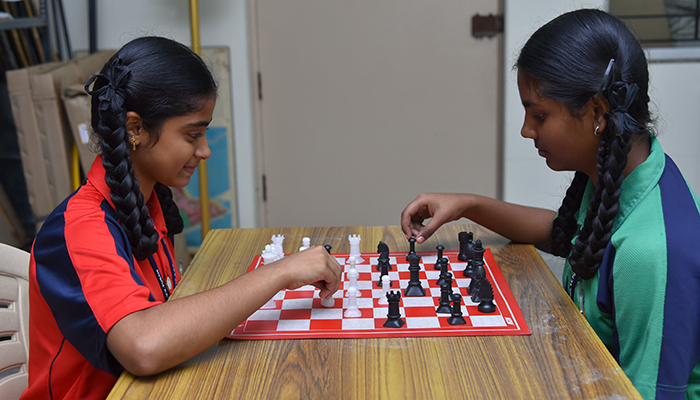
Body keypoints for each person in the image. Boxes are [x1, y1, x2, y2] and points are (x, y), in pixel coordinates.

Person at [400, 9, 699, 400]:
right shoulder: (629, 172)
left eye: (539, 115)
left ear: (597, 112)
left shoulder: (651, 251)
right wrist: (467, 205)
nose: (527, 130)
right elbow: (566, 234)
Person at [21, 36, 342, 400]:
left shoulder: (148, 203)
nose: (204, 150)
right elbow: (144, 346)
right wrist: (279, 273)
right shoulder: (81, 228)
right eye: (192, 135)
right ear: (135, 129)